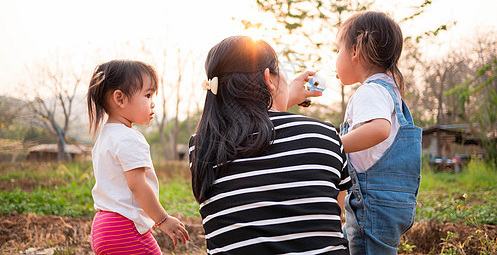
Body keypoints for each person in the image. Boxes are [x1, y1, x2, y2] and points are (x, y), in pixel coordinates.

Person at [189, 36, 352, 254]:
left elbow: (258, 130)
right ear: (269, 78)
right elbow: (328, 219)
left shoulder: (203, 145)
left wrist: (279, 95)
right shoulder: (325, 135)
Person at [335, 11, 422, 254]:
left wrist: (335, 143)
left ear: (355, 51)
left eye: (337, 49)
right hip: (390, 202)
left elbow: (379, 129)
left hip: (372, 204)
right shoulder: (391, 90)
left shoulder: (370, 91)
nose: (335, 57)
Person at [87, 59, 189, 254]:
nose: (153, 103)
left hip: (102, 226)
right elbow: (137, 185)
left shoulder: (105, 137)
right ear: (120, 99)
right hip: (124, 227)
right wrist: (163, 220)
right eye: (148, 95)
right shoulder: (129, 138)